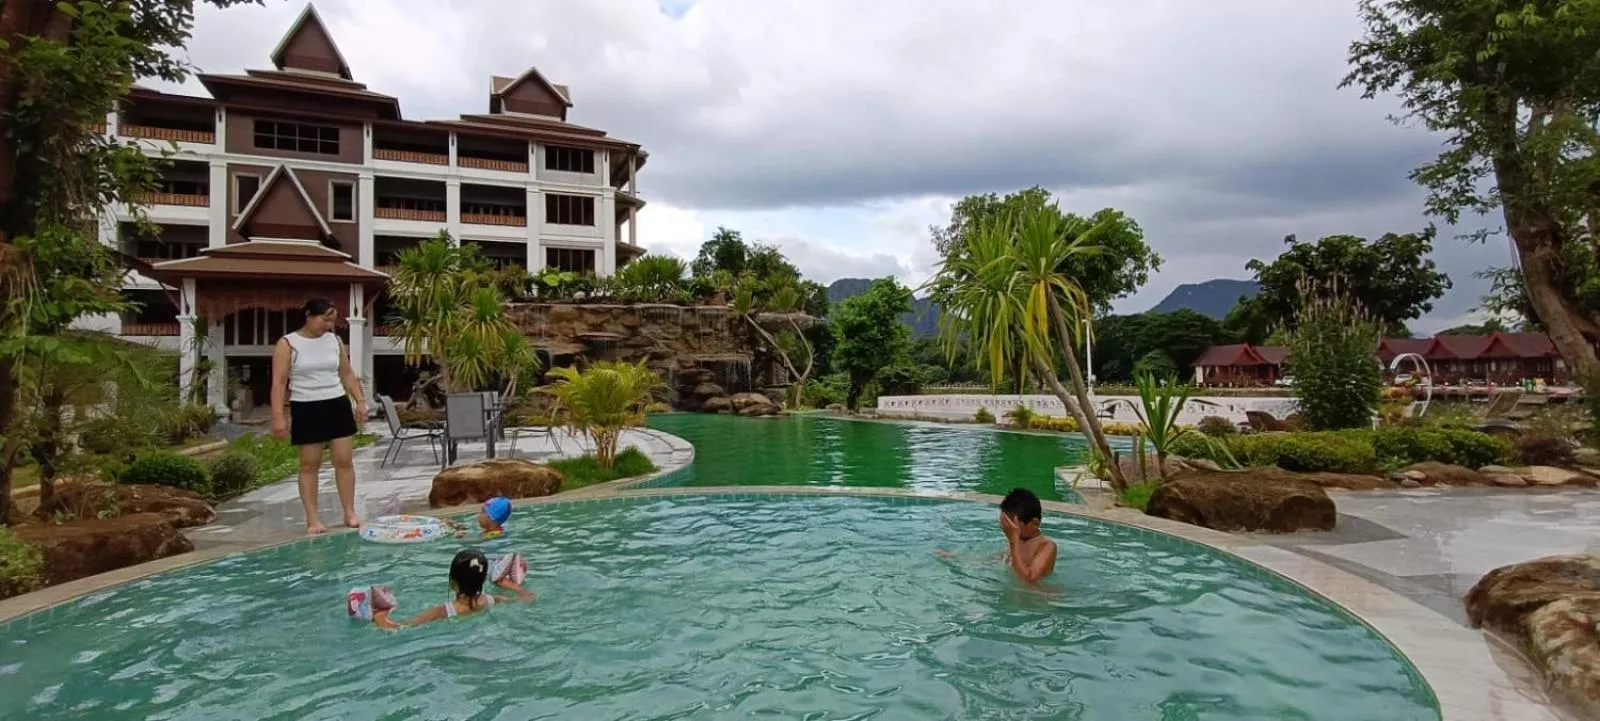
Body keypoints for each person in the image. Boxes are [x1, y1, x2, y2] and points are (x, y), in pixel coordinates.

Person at [271, 298, 367, 535]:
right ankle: (313, 519)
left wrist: (360, 401)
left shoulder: (334, 341)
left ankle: (349, 511)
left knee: (344, 460)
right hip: (306, 406)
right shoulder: (288, 343)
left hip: (336, 403)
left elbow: (346, 374)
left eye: (332, 321)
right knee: (309, 465)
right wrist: (278, 417)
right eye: (325, 319)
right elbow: (279, 381)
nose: (329, 325)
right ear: (309, 316)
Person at [351, 549, 529, 629]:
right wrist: (509, 584)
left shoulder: (441, 611)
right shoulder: (491, 600)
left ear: (453, 583)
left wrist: (379, 617)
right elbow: (527, 599)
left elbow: (402, 628)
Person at [998, 488, 1057, 583]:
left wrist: (1014, 541)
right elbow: (1002, 559)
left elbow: (1029, 578)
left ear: (1034, 523)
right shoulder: (1017, 539)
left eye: (1013, 525)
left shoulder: (1046, 545)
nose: (1009, 529)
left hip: (1037, 593)